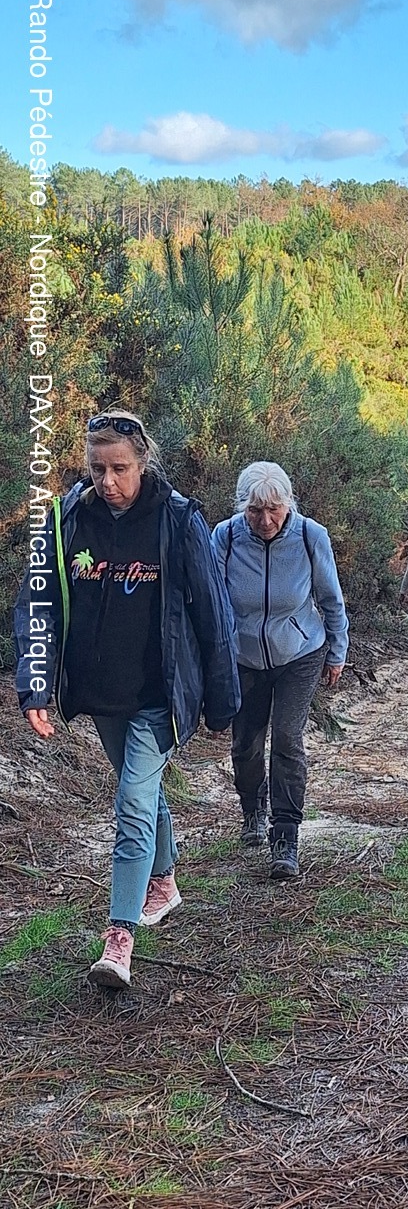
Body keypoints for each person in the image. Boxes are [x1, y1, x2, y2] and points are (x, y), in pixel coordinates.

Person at [14, 410, 241, 990]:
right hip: (102, 692)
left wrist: (222, 698)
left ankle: (119, 940)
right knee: (140, 789)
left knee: (132, 804)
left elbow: (212, 612)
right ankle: (163, 879)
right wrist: (36, 681)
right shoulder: (66, 519)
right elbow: (37, 604)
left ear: (143, 462)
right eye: (97, 468)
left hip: (159, 694)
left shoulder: (178, 519)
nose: (108, 481)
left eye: (119, 468)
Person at [212, 462, 349, 880]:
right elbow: (210, 602)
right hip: (244, 656)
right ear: (242, 507)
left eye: (274, 509)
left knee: (288, 739)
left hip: (300, 653)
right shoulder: (225, 537)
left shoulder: (310, 536)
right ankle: (252, 807)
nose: (266, 520)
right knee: (246, 745)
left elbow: (330, 598)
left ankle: (285, 835)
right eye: (255, 511)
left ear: (289, 504)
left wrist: (337, 651)